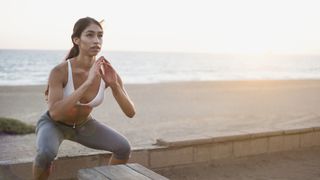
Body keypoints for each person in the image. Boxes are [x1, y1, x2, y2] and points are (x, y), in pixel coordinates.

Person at [33, 17, 135, 180]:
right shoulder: (60, 71)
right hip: (54, 125)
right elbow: (55, 114)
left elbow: (130, 112)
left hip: (84, 125)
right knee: (45, 153)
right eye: (90, 35)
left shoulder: (107, 72)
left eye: (100, 35)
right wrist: (87, 83)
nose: (96, 41)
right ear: (76, 40)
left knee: (123, 147)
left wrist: (114, 85)